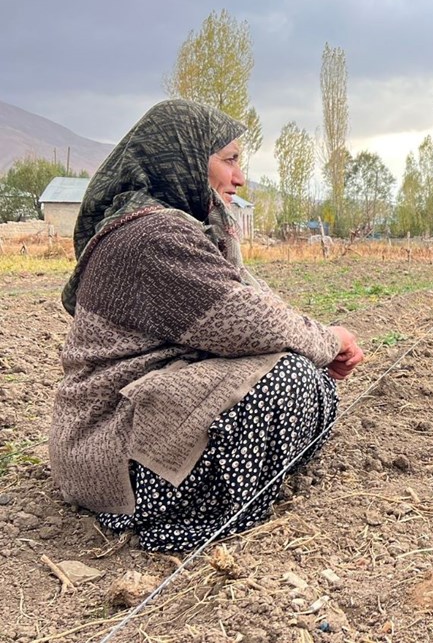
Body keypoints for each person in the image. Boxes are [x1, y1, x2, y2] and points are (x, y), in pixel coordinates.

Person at [50, 100, 364, 551]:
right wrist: (329, 339)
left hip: (149, 412)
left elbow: (258, 301)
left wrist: (320, 341)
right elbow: (244, 319)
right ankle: (186, 523)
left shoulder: (186, 228)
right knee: (288, 379)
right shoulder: (152, 237)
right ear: (184, 159)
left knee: (302, 372)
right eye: (230, 160)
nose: (239, 177)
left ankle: (226, 489)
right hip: (106, 447)